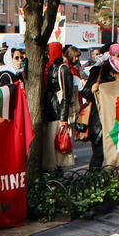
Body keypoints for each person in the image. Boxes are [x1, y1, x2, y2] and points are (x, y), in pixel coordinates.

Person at [85, 42, 119, 170]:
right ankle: (94, 185)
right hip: (102, 122)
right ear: (112, 55)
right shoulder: (99, 72)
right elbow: (85, 92)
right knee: (99, 155)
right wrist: (93, 90)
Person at [43, 41, 77, 170]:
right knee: (51, 148)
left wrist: (63, 118)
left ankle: (57, 175)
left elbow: (66, 95)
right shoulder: (47, 67)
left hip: (57, 112)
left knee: (56, 147)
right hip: (50, 111)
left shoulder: (63, 68)